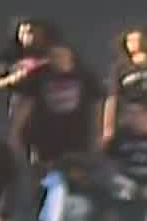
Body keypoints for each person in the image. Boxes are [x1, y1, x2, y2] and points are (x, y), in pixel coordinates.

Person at [10, 44, 105, 187]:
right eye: (53, 56)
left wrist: (99, 132)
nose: (57, 59)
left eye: (61, 56)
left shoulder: (85, 75)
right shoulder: (38, 76)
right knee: (46, 178)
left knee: (78, 176)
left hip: (77, 135)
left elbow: (97, 105)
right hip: (45, 136)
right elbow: (26, 105)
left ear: (71, 57)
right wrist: (16, 133)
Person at [0, 18, 57, 115]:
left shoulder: (56, 52)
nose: (27, 36)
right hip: (21, 106)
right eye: (23, 32)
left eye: (31, 31)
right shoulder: (10, 55)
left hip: (50, 106)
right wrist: (12, 79)